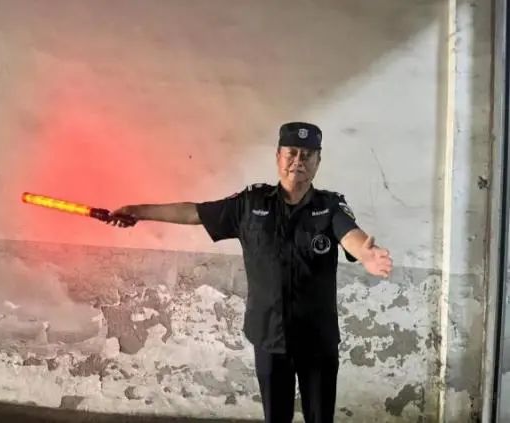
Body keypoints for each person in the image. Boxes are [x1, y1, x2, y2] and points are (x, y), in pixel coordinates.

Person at [106, 122, 393, 423]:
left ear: (318, 161)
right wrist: (138, 211)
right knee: (276, 418)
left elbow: (351, 234)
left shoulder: (330, 206)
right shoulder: (250, 203)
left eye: (308, 155)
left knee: (320, 418)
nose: (298, 161)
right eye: (292, 153)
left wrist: (367, 254)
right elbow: (195, 212)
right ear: (278, 156)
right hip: (269, 335)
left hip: (317, 338)